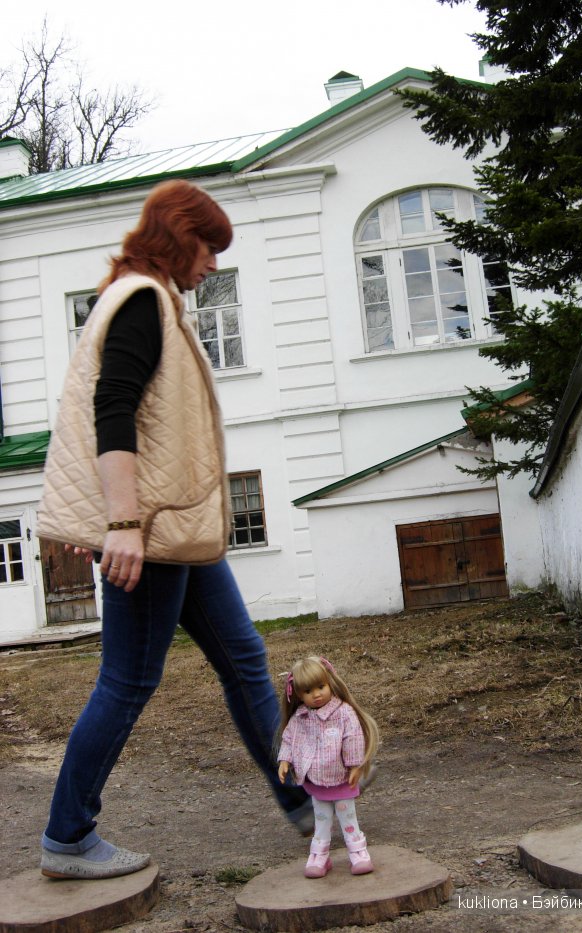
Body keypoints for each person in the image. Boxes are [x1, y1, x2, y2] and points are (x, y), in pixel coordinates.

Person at [36, 179, 311, 880]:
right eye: (208, 247)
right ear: (178, 236)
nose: (213, 264)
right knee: (127, 681)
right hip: (152, 531)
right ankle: (67, 835)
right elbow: (111, 411)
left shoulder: (142, 296)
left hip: (174, 529)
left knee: (245, 657)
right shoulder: (141, 301)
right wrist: (121, 521)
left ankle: (305, 799)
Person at [277, 656, 379, 878]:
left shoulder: (343, 713)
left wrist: (355, 766)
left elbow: (353, 738)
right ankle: (319, 855)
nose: (317, 695)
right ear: (298, 694)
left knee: (347, 817)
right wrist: (285, 760)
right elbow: (289, 740)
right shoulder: (300, 718)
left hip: (341, 779)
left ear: (330, 682)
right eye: (308, 691)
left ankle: (358, 852)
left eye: (321, 687)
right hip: (316, 781)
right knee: (321, 820)